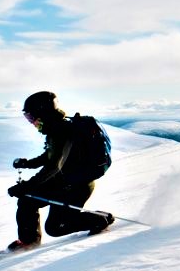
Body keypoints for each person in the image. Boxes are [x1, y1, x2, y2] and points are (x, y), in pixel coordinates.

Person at [6, 91, 113, 252]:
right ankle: (29, 242)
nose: (31, 122)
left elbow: (54, 166)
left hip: (76, 186)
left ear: (43, 113)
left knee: (56, 228)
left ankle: (101, 219)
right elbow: (50, 156)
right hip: (63, 182)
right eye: (28, 118)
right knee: (27, 200)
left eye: (31, 117)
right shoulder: (55, 129)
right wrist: (28, 164)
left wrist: (27, 186)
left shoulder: (61, 131)